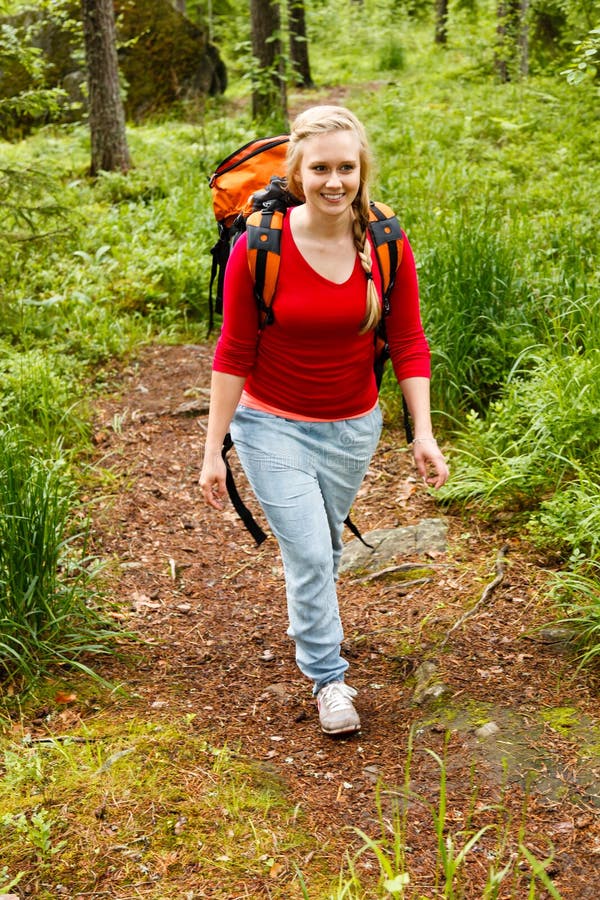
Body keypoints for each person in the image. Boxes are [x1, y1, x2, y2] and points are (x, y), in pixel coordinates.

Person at [200, 105, 449, 737]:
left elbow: (409, 340)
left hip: (353, 426)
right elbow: (233, 350)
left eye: (346, 167)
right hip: (270, 424)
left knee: (325, 549)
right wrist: (211, 449)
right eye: (320, 169)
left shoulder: (385, 243)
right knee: (311, 552)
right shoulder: (261, 247)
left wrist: (422, 431)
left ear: (362, 170)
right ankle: (328, 677)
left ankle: (310, 619)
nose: (334, 181)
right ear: (297, 172)